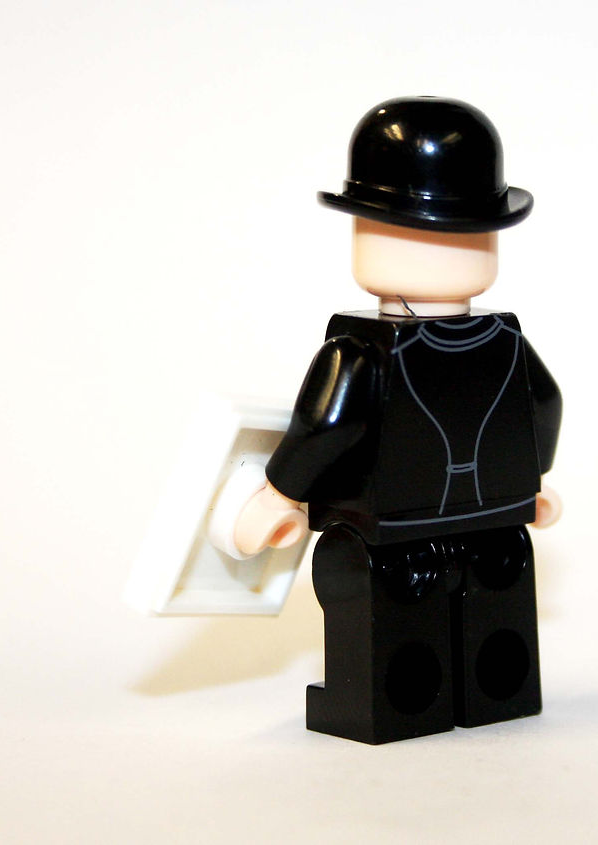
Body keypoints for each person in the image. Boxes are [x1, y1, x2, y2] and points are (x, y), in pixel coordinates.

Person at [232, 97, 562, 744]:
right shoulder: (500, 342)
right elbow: (543, 407)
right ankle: (488, 693)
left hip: (401, 531)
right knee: (488, 603)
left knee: (400, 617)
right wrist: (531, 479)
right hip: (486, 523)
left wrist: (280, 493)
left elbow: (326, 428)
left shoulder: (362, 352)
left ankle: (415, 702)